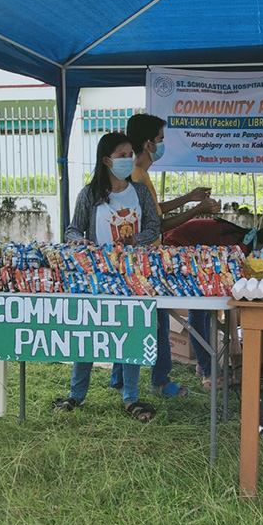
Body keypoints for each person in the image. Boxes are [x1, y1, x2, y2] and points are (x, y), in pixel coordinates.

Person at [108, 114, 222, 398]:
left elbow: (156, 210)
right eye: (160, 140)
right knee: (154, 321)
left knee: (140, 320)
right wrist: (197, 210)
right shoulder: (135, 175)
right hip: (142, 261)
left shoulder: (140, 175)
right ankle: (157, 381)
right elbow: (157, 224)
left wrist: (190, 198)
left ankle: (122, 379)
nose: (162, 145)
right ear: (148, 144)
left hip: (146, 257)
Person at [54, 132, 162, 422]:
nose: (128, 160)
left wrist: (135, 240)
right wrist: (79, 242)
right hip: (97, 275)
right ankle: (76, 395)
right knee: (89, 333)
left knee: (131, 332)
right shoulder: (89, 194)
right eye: (122, 155)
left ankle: (130, 397)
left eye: (130, 155)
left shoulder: (139, 192)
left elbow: (154, 226)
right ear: (106, 160)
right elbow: (72, 229)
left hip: (133, 275)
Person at [163, 219, 263, 389]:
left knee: (206, 307)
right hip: (177, 250)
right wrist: (235, 346)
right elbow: (231, 295)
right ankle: (209, 374)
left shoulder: (244, 241)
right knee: (200, 308)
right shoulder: (237, 248)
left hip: (196, 251)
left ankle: (204, 362)